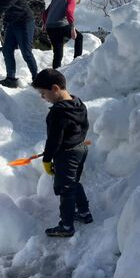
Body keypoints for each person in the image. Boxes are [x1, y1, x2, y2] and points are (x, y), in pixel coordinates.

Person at [32, 69, 93, 237]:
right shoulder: (79, 103)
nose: (42, 97)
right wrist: (76, 141)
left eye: (43, 93)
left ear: (55, 88)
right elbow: (84, 127)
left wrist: (47, 159)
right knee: (74, 182)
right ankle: (84, 212)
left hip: (66, 155)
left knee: (65, 189)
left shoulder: (57, 113)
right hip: (80, 150)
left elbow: (54, 140)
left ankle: (66, 226)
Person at [43, 0, 84, 69]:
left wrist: (45, 25)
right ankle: (77, 63)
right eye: (76, 2)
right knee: (79, 37)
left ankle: (55, 74)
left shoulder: (54, 0)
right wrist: (72, 28)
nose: (75, 4)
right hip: (61, 25)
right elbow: (69, 11)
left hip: (50, 27)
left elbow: (45, 14)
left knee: (58, 53)